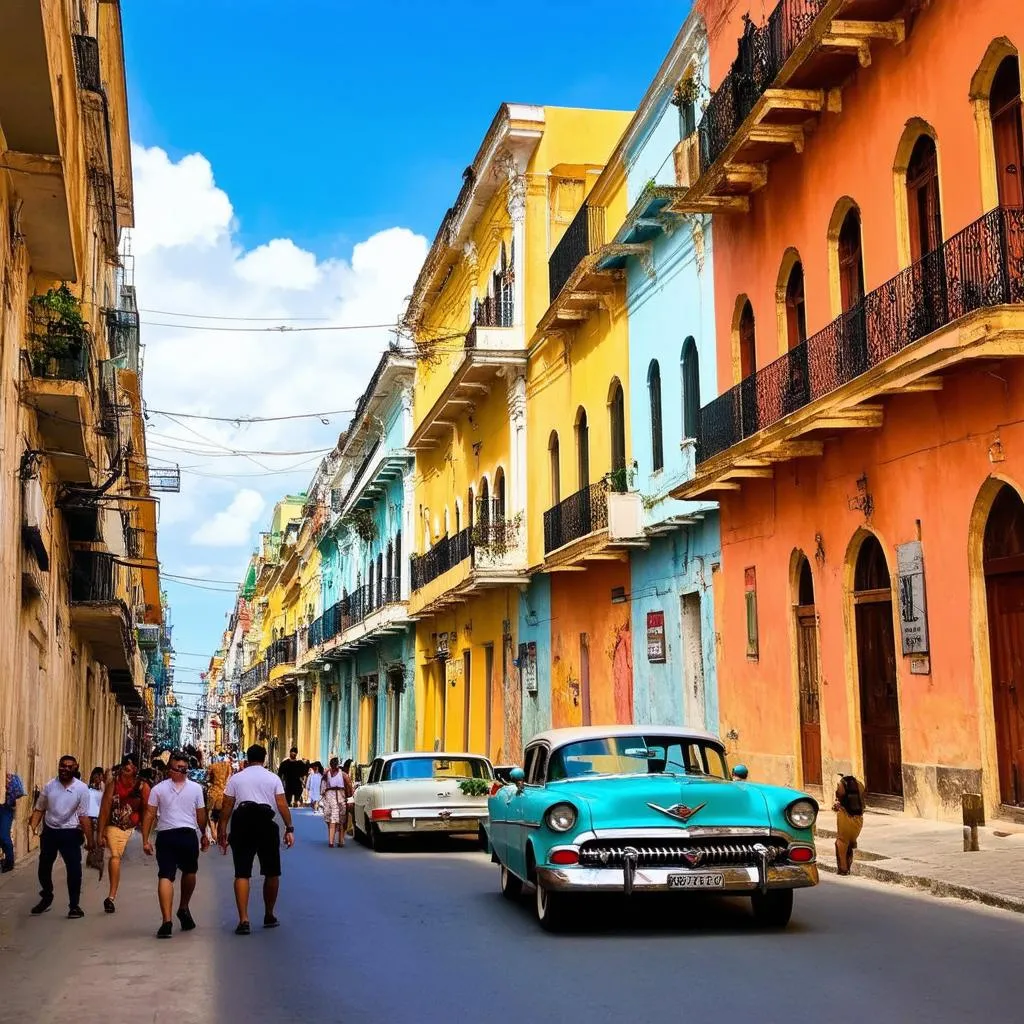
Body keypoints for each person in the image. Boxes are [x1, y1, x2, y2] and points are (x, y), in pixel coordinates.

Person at [218, 743, 295, 935]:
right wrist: (289, 828)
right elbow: (281, 804)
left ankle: (244, 919)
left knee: (242, 873)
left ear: (247, 759)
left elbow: (227, 805)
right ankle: (269, 914)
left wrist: (221, 830)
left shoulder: (237, 778)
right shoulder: (272, 778)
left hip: (242, 824)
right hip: (265, 824)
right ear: (264, 758)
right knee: (272, 872)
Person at [141, 751, 210, 938]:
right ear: (170, 769)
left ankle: (168, 920)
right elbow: (201, 814)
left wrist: (146, 840)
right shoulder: (194, 789)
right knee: (184, 873)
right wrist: (204, 834)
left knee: (168, 876)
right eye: (180, 768)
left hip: (170, 836)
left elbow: (149, 814)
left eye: (184, 769)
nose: (182, 772)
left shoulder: (159, 789)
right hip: (182, 835)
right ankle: (179, 910)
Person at [29, 754, 93, 918]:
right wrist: (33, 829)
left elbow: (84, 816)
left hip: (70, 832)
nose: (64, 769)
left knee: (74, 870)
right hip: (50, 831)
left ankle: (74, 906)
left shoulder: (81, 789)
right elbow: (40, 808)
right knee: (44, 867)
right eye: (62, 766)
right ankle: (47, 896)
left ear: (75, 768)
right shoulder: (50, 786)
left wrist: (90, 841)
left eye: (69, 767)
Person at [98, 755, 150, 913]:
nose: (125, 772)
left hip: (132, 826)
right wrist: (100, 833)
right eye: (123, 768)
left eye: (128, 769)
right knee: (115, 856)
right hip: (114, 826)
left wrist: (145, 839)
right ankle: (111, 896)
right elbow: (105, 808)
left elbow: (148, 812)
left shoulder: (143, 787)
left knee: (116, 856)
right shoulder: (113, 784)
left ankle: (111, 896)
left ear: (135, 770)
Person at [833, 773, 866, 875]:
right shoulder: (860, 785)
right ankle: (848, 866)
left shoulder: (841, 785)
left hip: (845, 817)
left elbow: (838, 796)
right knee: (850, 844)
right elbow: (862, 803)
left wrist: (836, 806)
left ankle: (843, 869)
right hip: (858, 820)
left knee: (841, 843)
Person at [321, 757, 352, 848]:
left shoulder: (342, 774)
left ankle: (338, 841)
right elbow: (323, 786)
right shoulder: (327, 774)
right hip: (332, 797)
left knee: (340, 819)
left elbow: (349, 785)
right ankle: (335, 841)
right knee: (333, 819)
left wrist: (350, 797)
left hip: (339, 797)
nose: (334, 766)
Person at [1, 770, 27, 873]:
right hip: (5, 807)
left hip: (6, 808)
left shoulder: (9, 776)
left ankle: (9, 862)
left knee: (3, 835)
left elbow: (16, 793)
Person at [85, 767, 107, 879]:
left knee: (98, 839)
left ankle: (97, 860)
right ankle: (93, 860)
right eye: (96, 775)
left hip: (99, 817)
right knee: (92, 839)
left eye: (100, 776)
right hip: (90, 816)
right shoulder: (87, 788)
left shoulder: (104, 788)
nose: (98, 778)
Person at [205, 754, 233, 840]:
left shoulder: (212, 766)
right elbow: (229, 779)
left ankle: (214, 834)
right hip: (223, 793)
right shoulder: (228, 767)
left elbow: (208, 779)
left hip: (213, 793)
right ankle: (217, 833)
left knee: (210, 815)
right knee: (219, 816)